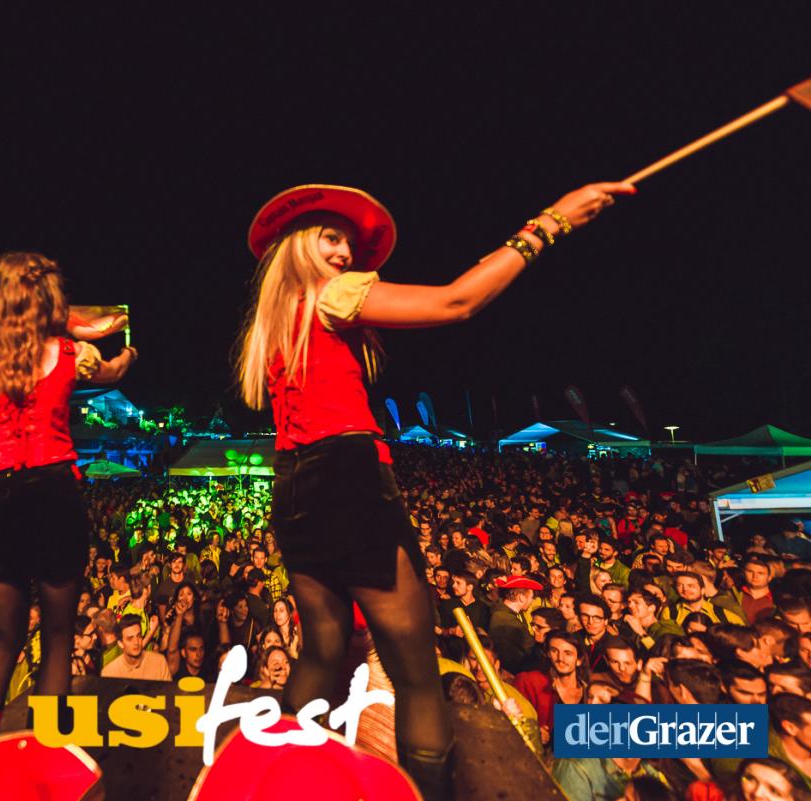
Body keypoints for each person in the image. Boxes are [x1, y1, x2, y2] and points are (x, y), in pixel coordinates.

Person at [235, 180, 630, 799]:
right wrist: (551, 222)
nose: (345, 254)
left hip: (294, 484)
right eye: (331, 239)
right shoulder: (332, 293)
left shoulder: (280, 315)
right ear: (300, 246)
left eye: (348, 244)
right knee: (416, 672)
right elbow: (456, 302)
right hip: (349, 477)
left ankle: (280, 784)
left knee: (322, 652)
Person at [0, 251, 137, 747]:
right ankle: (49, 754)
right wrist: (128, 357)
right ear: (49, 298)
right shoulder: (68, 353)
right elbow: (112, 372)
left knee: (4, 640)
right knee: (57, 636)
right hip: (54, 494)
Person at [101, 616, 172, 681]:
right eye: (130, 638)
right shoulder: (109, 673)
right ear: (120, 643)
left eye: (138, 636)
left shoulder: (159, 662)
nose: (136, 642)